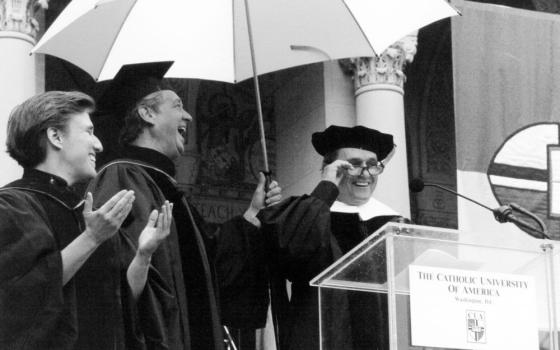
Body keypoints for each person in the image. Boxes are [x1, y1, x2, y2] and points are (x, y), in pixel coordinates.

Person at [87, 62, 282, 350]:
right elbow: (111, 279)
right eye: (178, 105)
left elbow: (211, 264)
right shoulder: (121, 177)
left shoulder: (168, 187)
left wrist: (252, 214)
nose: (189, 115)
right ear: (147, 113)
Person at [0, 91, 148, 349]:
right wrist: (91, 238)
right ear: (56, 136)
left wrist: (145, 254)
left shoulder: (89, 214)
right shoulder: (13, 206)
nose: (99, 144)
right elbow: (20, 300)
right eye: (88, 132)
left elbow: (117, 308)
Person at [258, 125, 407, 350]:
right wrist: (326, 187)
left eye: (372, 166)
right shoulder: (308, 217)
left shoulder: (395, 224)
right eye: (354, 165)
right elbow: (286, 251)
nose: (365, 174)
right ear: (331, 169)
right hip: (322, 339)